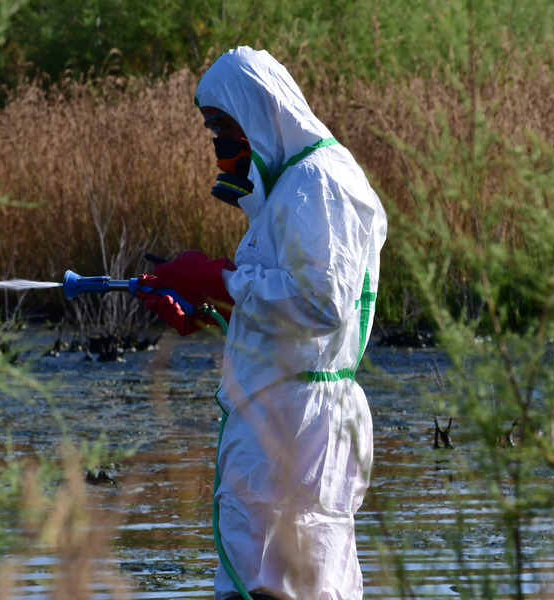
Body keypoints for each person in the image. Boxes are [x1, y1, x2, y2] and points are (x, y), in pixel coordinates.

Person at [136, 46, 387, 600]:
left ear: (259, 112)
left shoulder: (319, 182)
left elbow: (322, 305)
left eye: (225, 126)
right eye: (212, 130)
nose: (220, 142)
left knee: (280, 587)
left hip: (297, 429)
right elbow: (282, 315)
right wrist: (206, 312)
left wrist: (218, 280)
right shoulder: (288, 193)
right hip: (284, 419)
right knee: (276, 583)